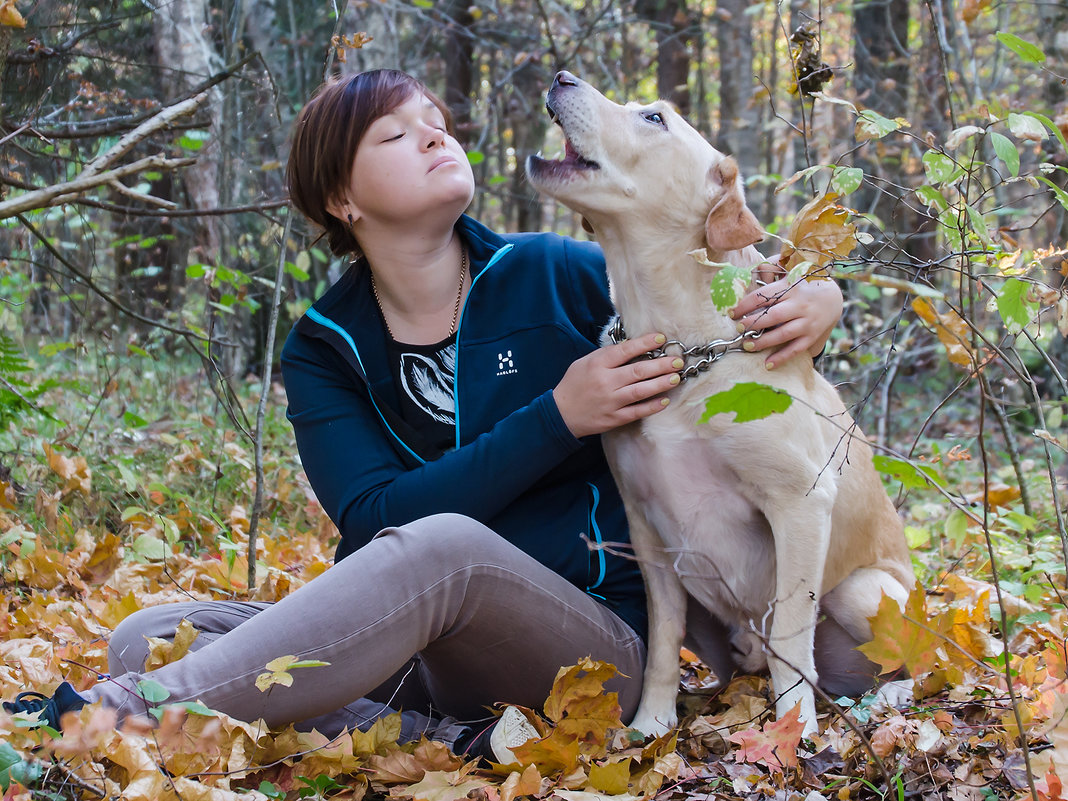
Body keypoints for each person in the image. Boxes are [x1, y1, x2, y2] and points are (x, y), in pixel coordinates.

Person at [4, 69, 843, 760]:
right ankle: (440, 737)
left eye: (438, 122)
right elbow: (373, 523)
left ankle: (114, 714)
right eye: (397, 134)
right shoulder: (325, 346)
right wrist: (557, 415)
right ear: (341, 198)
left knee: (446, 548)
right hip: (419, 646)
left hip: (589, 648)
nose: (436, 135)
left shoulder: (561, 273)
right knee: (148, 631)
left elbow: (723, 276)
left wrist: (818, 296)